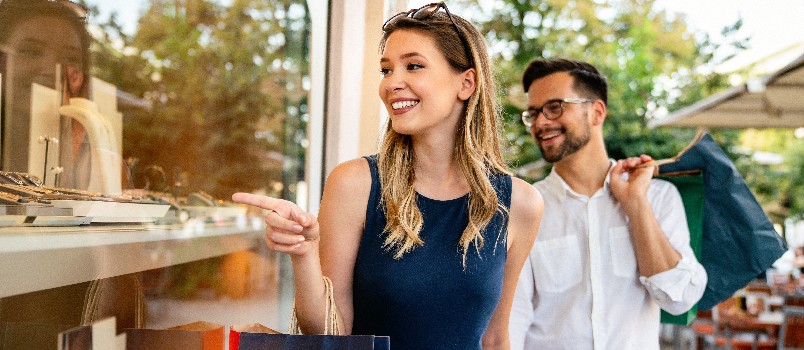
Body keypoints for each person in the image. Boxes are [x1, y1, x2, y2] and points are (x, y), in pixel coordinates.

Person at [233, 3, 543, 349]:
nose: (392, 83)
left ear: (466, 83)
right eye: (386, 70)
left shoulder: (520, 204)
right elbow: (329, 335)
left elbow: (495, 337)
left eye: (413, 66)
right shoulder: (355, 184)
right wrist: (305, 252)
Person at [508, 58, 707, 350]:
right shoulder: (524, 208)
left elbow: (680, 299)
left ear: (596, 112)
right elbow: (514, 318)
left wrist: (636, 204)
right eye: (533, 113)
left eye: (554, 107)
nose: (540, 122)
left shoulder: (658, 197)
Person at [0, 0, 91, 189]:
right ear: (3, 60)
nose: (51, 70)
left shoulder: (93, 162)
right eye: (31, 51)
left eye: (70, 59)